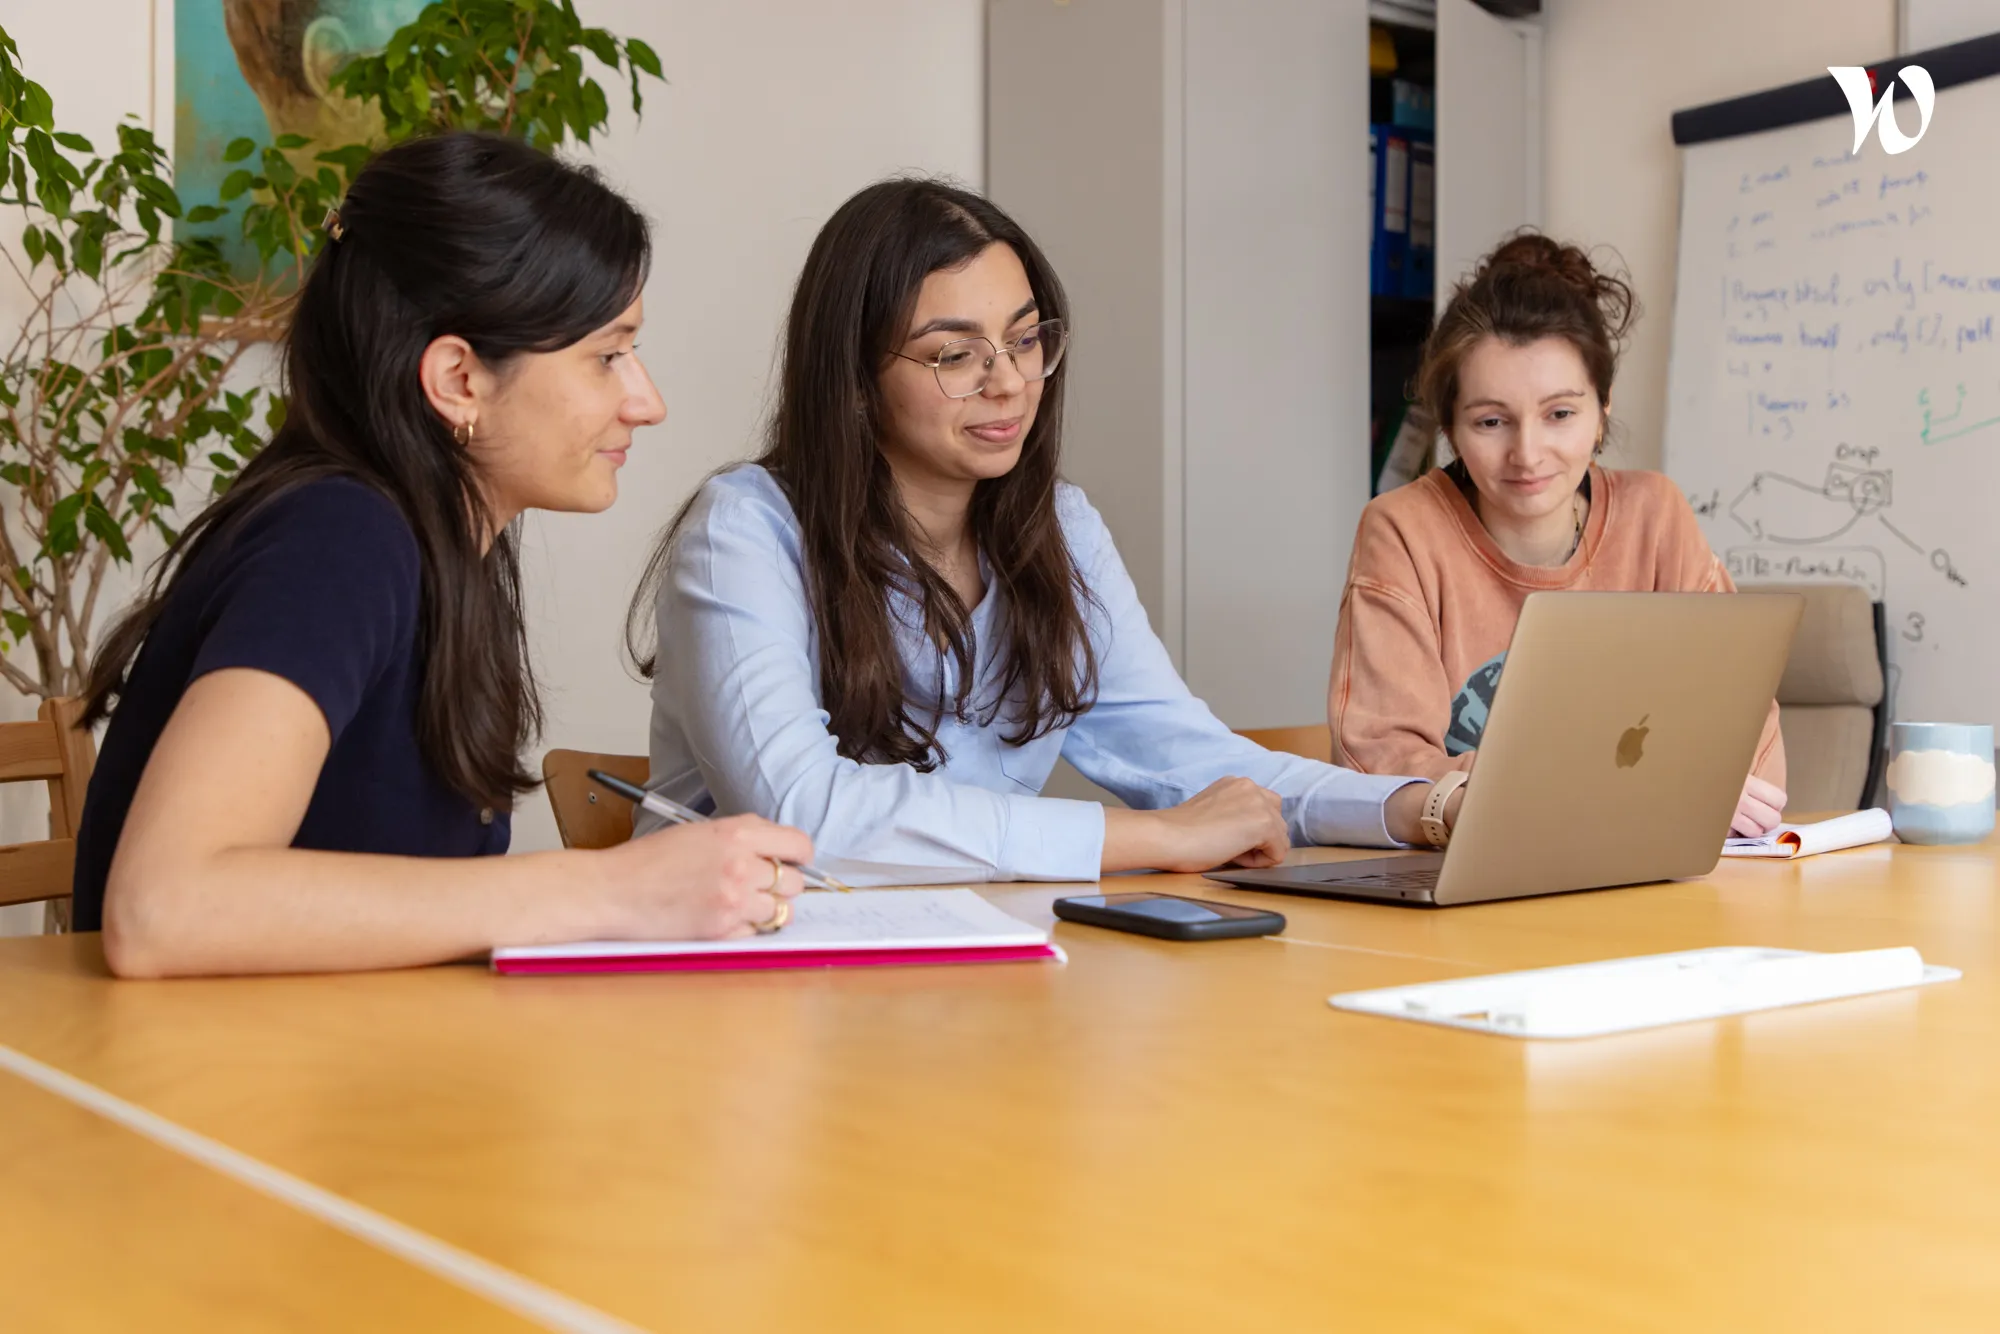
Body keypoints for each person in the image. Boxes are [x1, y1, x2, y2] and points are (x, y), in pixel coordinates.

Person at [76, 132, 811, 978]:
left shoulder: (441, 551)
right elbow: (164, 907)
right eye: (607, 356)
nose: (647, 402)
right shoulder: (340, 539)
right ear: (460, 379)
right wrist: (609, 888)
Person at [628, 178, 1463, 885]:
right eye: (955, 355)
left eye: (1026, 340)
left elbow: (1186, 758)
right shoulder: (746, 530)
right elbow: (802, 813)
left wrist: (1418, 806)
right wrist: (1154, 839)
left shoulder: (1057, 527)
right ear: (853, 378)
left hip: (962, 969)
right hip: (737, 981)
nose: (1009, 383)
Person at [1328, 232, 1787, 837]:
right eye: (1491, 421)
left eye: (1560, 415)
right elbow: (1383, 770)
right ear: (1449, 427)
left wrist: (1588, 797)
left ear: (1602, 411)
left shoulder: (1656, 517)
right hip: (1469, 887)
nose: (1527, 453)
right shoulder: (1403, 531)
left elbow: (1746, 741)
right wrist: (1647, 792)